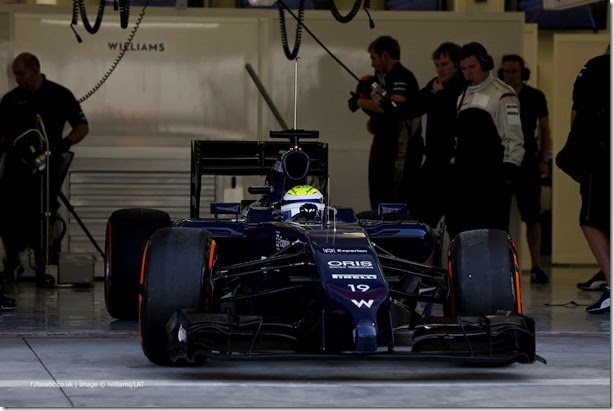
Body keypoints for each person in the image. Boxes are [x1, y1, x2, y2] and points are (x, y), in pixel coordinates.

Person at [0, 52, 89, 300]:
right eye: (15, 74)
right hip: (16, 168)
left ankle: (46, 265)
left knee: (45, 213)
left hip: (47, 166)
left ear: (36, 69)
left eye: (21, 74)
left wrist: (64, 144)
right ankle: (13, 262)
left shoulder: (59, 95)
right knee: (6, 213)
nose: (17, 79)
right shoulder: (10, 100)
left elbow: (82, 126)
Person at [445, 42, 524, 240]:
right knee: (460, 233)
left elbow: (514, 139)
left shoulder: (503, 94)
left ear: (485, 64)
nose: (468, 73)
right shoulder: (462, 96)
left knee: (491, 237)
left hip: (491, 181)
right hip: (464, 180)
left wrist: (507, 175)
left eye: (472, 67)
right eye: (463, 69)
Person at [348, 35, 423, 213]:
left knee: (394, 199)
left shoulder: (402, 76)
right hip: (383, 145)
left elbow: (394, 106)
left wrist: (360, 103)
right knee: (378, 195)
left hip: (400, 148)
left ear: (385, 55)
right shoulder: (381, 78)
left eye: (374, 58)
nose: (372, 63)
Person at [563, 47, 610, 314]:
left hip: (601, 155)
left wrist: (576, 152)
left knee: (591, 220)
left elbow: (577, 111)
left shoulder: (596, 66)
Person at [498, 54, 551, 284]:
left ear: (523, 73)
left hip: (528, 162)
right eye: (506, 71)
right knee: (499, 217)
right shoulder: (498, 96)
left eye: (514, 71)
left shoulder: (535, 96)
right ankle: (502, 265)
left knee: (533, 216)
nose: (510, 76)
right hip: (503, 161)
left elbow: (545, 129)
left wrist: (543, 159)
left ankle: (536, 265)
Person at [405, 42, 467, 229]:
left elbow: (454, 117)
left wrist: (440, 96)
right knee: (420, 217)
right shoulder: (434, 85)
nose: (440, 69)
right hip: (433, 161)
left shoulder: (463, 89)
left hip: (454, 164)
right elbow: (413, 106)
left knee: (455, 222)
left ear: (456, 64)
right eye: (437, 65)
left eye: (444, 64)